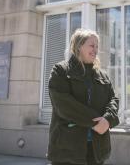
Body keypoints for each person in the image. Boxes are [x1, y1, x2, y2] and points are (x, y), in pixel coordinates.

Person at [47, 29, 120, 165]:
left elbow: (113, 100)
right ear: (79, 46)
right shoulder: (61, 71)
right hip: (67, 151)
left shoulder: (102, 75)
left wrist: (108, 120)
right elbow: (63, 105)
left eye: (97, 46)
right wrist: (95, 122)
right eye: (92, 45)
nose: (95, 50)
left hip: (97, 150)